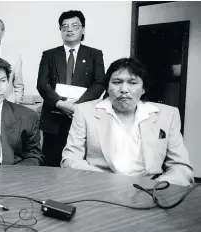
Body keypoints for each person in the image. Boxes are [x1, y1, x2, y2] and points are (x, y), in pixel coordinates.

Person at [61, 57, 193, 186]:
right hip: (100, 187)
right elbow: (70, 159)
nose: (124, 89)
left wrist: (155, 188)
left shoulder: (167, 115)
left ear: (143, 89)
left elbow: (181, 167)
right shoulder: (85, 111)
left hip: (151, 189)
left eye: (132, 83)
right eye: (117, 82)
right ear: (107, 87)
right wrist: (106, 183)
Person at [37, 10, 105, 167]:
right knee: (51, 166)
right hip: (53, 119)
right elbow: (42, 84)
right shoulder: (49, 55)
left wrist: (77, 106)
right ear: (60, 30)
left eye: (74, 26)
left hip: (81, 117)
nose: (69, 29)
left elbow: (100, 82)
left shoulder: (94, 54)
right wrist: (60, 103)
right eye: (64, 26)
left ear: (83, 29)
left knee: (79, 166)